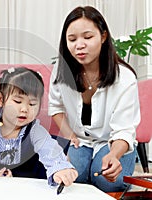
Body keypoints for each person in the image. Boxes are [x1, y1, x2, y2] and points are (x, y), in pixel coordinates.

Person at [48, 6, 140, 192]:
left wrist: (114, 155)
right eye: (72, 39)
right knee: (75, 178)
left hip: (112, 142)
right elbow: (55, 106)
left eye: (88, 37)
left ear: (103, 37)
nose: (79, 45)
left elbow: (124, 130)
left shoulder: (125, 78)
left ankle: (128, 159)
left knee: (107, 179)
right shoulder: (61, 70)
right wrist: (69, 135)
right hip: (82, 141)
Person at [0, 67, 78, 187]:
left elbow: (49, 149)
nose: (24, 109)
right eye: (18, 102)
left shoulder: (35, 130)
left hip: (26, 185)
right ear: (1, 99)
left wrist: (60, 169)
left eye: (32, 104)